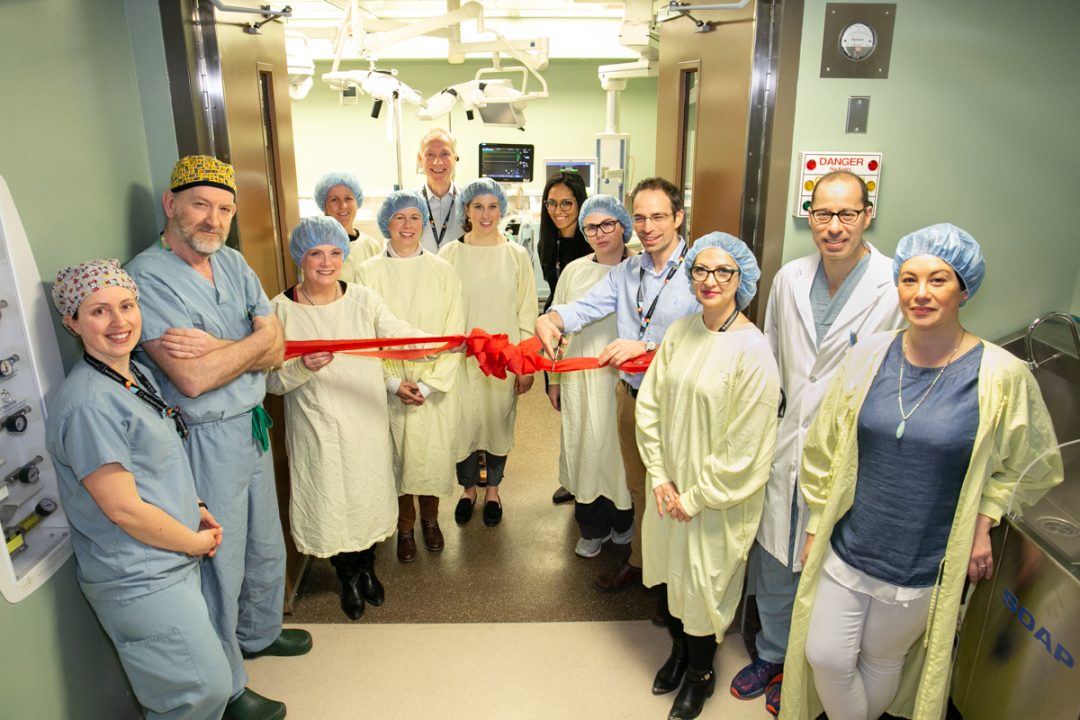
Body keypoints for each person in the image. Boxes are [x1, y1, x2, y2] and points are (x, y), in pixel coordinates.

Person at [779, 224, 1064, 720]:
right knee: (824, 654)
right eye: (909, 280)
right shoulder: (870, 355)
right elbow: (826, 444)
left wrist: (984, 523)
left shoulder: (999, 375)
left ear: (964, 288)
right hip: (851, 541)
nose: (920, 293)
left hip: (923, 557)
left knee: (882, 657)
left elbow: (1030, 464)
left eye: (938, 280)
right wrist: (815, 521)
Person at [125, 155, 309, 719]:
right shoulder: (146, 278)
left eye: (224, 208)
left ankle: (257, 632)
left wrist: (221, 347)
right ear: (171, 205)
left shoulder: (231, 262)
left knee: (263, 543)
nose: (213, 218)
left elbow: (277, 345)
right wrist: (247, 346)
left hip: (251, 424)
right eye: (200, 204)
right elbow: (192, 378)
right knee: (219, 559)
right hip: (203, 437)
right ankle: (227, 684)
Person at [731, 169, 904, 716]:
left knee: (828, 562)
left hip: (853, 451)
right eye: (823, 214)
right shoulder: (788, 278)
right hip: (787, 441)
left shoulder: (894, 283)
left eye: (846, 213)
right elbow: (776, 360)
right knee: (777, 553)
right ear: (810, 216)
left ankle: (806, 667)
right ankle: (772, 652)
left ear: (867, 214)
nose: (834, 226)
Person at [45, 261, 233, 720]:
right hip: (138, 576)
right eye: (99, 312)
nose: (119, 322)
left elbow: (156, 462)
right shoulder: (90, 405)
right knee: (197, 694)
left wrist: (196, 507)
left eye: (127, 306)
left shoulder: (133, 377)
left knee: (204, 688)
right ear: (72, 322)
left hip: (166, 561)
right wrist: (192, 542)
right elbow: (124, 509)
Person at [637, 232, 780, 720]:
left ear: (742, 279)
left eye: (724, 272)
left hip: (715, 502)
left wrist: (694, 497)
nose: (710, 280)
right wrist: (659, 474)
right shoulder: (679, 332)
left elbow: (748, 445)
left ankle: (700, 673)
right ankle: (678, 652)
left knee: (702, 589)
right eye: (701, 270)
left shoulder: (753, 350)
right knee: (668, 579)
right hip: (667, 489)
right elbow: (650, 405)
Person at [535, 177, 700, 592]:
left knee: (679, 490)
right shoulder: (628, 271)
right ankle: (642, 563)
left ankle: (677, 582)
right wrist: (551, 319)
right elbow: (585, 307)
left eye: (658, 216)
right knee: (639, 488)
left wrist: (645, 344)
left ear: (679, 218)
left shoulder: (700, 271)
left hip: (680, 403)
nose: (647, 226)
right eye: (641, 217)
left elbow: (711, 337)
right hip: (631, 396)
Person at [266, 216, 429, 619]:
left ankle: (367, 569)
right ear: (298, 258)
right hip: (315, 425)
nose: (326, 262)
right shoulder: (278, 311)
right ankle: (348, 577)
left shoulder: (363, 300)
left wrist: (445, 344)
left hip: (364, 418)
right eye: (316, 254)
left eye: (335, 253)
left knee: (366, 496)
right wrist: (302, 366)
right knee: (331, 502)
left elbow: (397, 335)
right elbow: (270, 382)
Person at [358, 191, 465, 563]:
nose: (407, 225)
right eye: (399, 218)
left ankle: (431, 520)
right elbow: (365, 335)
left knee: (431, 456)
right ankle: (405, 525)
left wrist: (427, 384)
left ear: (424, 223)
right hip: (389, 386)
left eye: (414, 218)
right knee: (398, 457)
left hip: (433, 386)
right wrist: (391, 383)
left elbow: (455, 332)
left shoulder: (443, 271)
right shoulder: (366, 273)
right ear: (387, 221)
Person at [439, 178, 537, 527]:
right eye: (477, 206)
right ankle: (468, 488)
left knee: (498, 422)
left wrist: (525, 364)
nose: (485, 214)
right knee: (462, 426)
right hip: (461, 360)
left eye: (492, 206)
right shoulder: (450, 254)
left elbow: (527, 311)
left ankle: (493, 489)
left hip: (503, 361)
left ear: (501, 210)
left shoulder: (516, 255)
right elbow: (440, 310)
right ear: (466, 210)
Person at [546, 195, 634, 558]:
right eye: (590, 227)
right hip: (580, 380)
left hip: (623, 379)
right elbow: (558, 328)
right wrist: (553, 380)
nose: (598, 234)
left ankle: (624, 522)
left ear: (623, 226)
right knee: (586, 447)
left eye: (607, 225)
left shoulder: (641, 269)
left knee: (620, 451)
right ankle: (592, 526)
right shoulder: (574, 271)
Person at [538, 169, 591, 506]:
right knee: (569, 412)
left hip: (585, 337)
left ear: (580, 204)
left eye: (567, 203)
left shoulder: (591, 243)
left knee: (591, 414)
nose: (558, 210)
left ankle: (589, 482)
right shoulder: (549, 240)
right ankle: (573, 478)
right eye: (552, 203)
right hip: (556, 332)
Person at [313, 171, 383, 281]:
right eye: (334, 200)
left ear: (357, 202)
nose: (343, 206)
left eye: (348, 199)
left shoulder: (371, 246)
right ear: (324, 206)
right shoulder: (315, 248)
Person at [416, 129, 463, 254]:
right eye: (430, 155)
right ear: (420, 159)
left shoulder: (469, 202)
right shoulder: (409, 204)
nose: (437, 162)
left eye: (444, 154)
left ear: (455, 157)